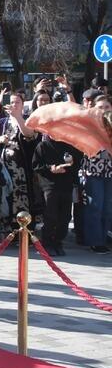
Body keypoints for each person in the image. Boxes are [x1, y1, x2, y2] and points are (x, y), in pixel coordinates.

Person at [0, 92, 38, 223]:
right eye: (11, 102)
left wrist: (17, 117)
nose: (14, 105)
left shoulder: (28, 120)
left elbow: (29, 134)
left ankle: (22, 227)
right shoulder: (1, 122)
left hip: (22, 169)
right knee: (5, 196)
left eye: (17, 102)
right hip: (3, 167)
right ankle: (4, 225)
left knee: (22, 197)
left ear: (22, 105)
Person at [32, 134, 83, 256]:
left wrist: (68, 166)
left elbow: (77, 164)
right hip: (50, 185)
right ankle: (47, 243)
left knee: (65, 217)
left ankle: (58, 242)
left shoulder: (71, 146)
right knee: (51, 215)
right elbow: (36, 166)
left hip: (66, 185)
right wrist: (51, 168)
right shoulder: (43, 146)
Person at [79, 96, 112, 254]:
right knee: (95, 206)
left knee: (108, 208)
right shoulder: (89, 126)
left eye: (107, 106)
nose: (104, 109)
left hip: (110, 172)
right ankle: (95, 241)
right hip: (93, 171)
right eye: (100, 106)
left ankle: (104, 238)